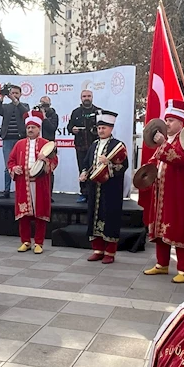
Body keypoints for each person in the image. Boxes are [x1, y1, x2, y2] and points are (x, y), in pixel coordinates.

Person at [143, 100, 184, 283]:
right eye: (166, 119)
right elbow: (157, 160)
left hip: (179, 193)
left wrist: (163, 144)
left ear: (181, 122)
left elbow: (181, 158)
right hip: (162, 192)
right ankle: (162, 264)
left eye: (171, 120)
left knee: (179, 228)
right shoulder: (169, 140)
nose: (167, 123)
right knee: (159, 228)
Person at [79, 110, 127, 264]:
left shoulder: (118, 145)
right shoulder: (94, 145)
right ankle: (98, 250)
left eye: (104, 128)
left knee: (110, 216)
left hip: (111, 188)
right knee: (94, 216)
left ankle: (110, 252)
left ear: (111, 128)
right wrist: (84, 173)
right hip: (95, 187)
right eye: (99, 128)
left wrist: (109, 164)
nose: (101, 130)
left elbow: (123, 166)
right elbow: (86, 163)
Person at [7, 110, 57, 254]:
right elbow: (11, 161)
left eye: (33, 127)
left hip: (40, 183)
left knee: (40, 213)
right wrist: (14, 168)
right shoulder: (19, 144)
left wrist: (45, 160)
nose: (30, 129)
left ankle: (39, 242)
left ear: (39, 128)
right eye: (28, 127)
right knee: (24, 214)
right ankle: (26, 241)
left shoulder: (46, 144)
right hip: (24, 183)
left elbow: (54, 161)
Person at [0, 84, 29, 199]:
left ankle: (22, 189)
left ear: (20, 94)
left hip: (21, 140)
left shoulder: (24, 105)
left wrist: (14, 100)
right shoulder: (6, 106)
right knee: (8, 166)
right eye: (12, 93)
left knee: (22, 166)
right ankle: (6, 190)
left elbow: (25, 113)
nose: (14, 95)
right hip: (7, 139)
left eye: (16, 93)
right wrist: (2, 96)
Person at [67, 86, 100, 202]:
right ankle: (83, 193)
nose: (87, 98)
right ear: (81, 98)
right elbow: (69, 127)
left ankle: (95, 193)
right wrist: (73, 129)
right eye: (84, 96)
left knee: (96, 170)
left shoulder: (99, 111)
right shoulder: (76, 112)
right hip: (80, 147)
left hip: (96, 147)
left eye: (89, 96)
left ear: (92, 97)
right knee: (82, 169)